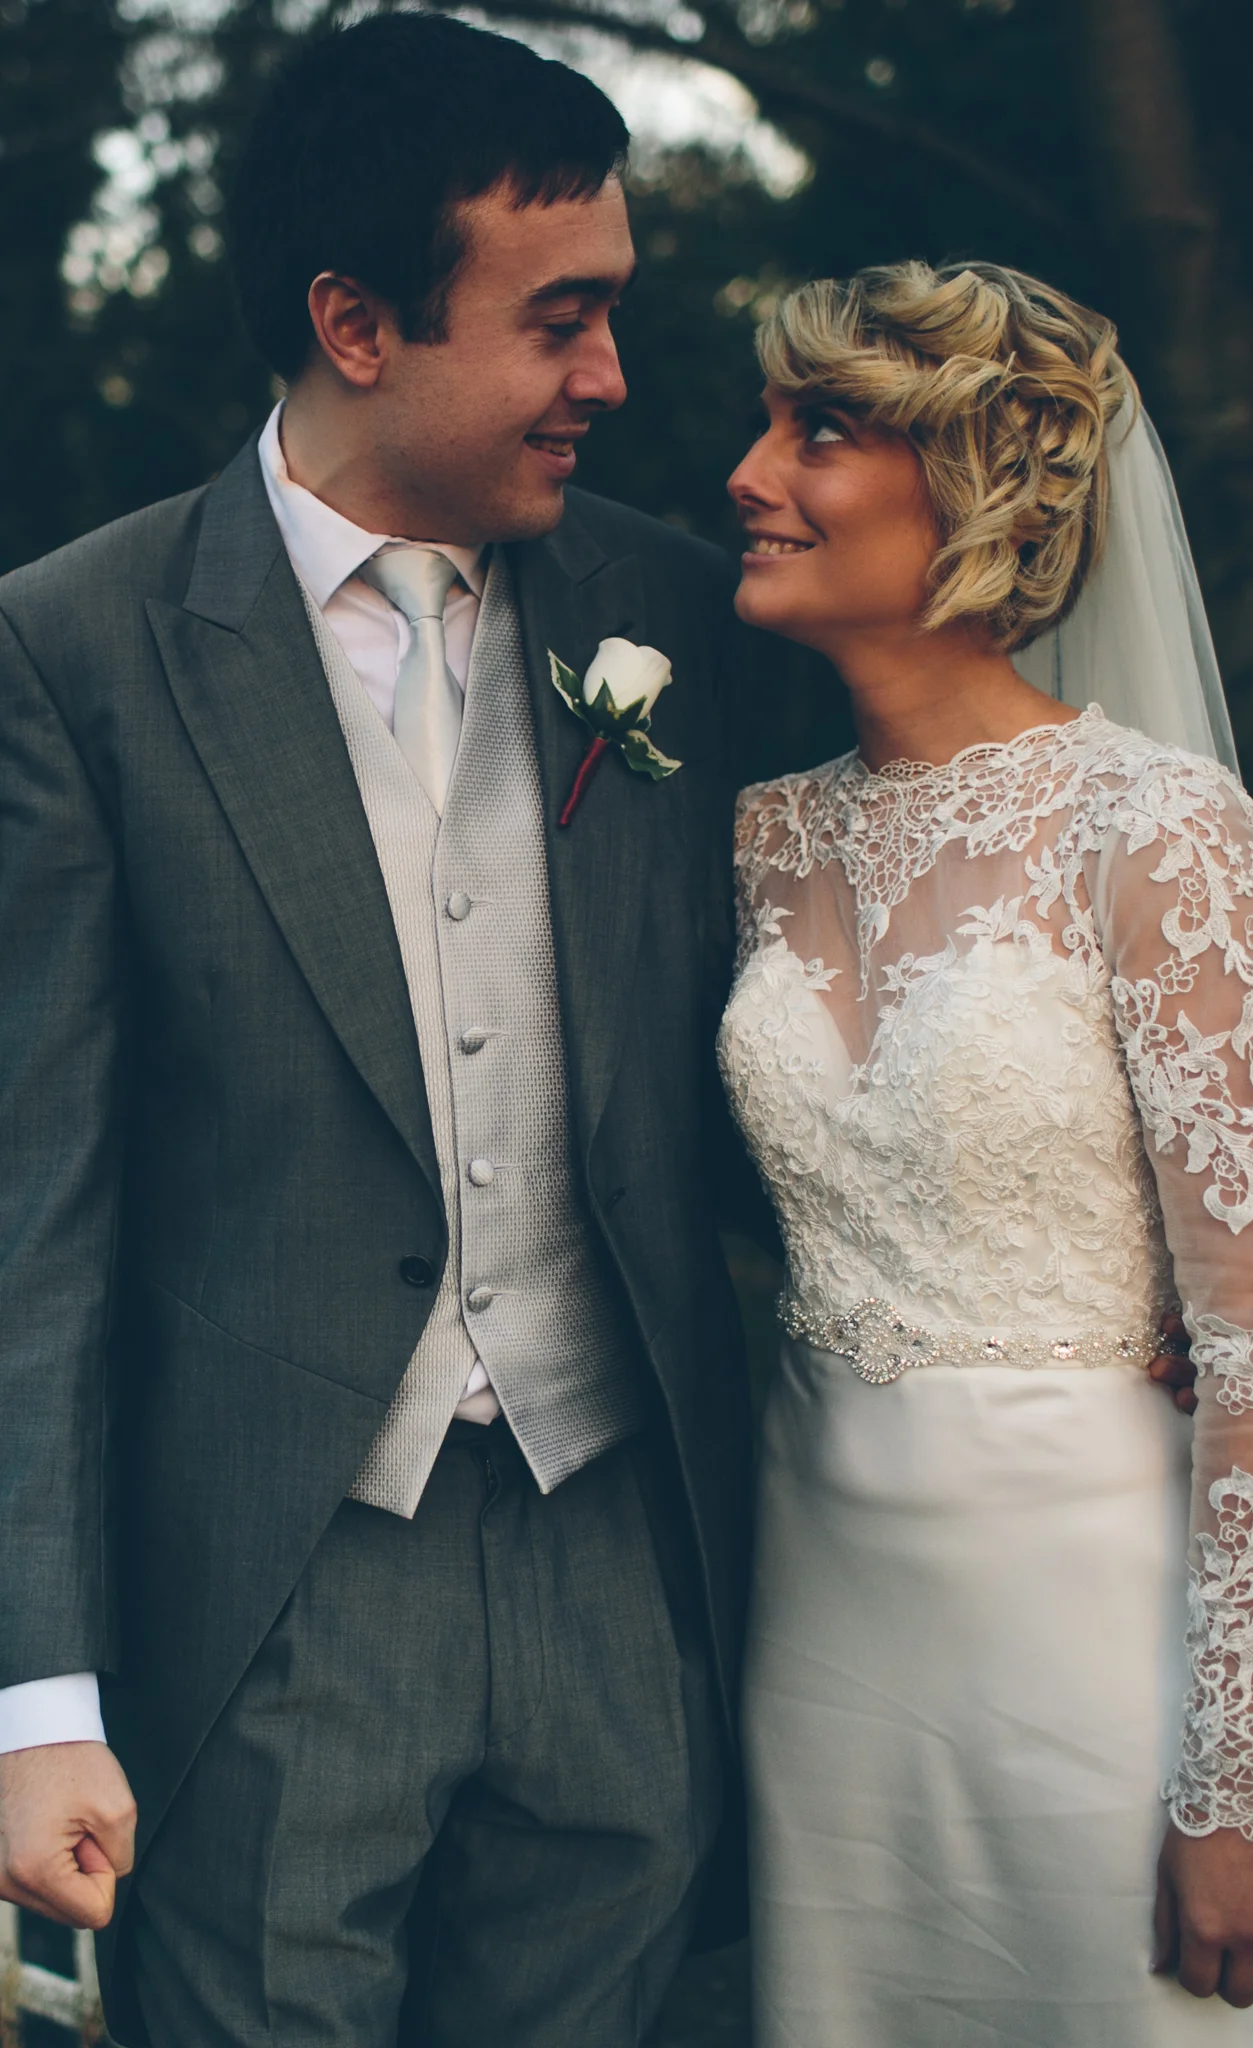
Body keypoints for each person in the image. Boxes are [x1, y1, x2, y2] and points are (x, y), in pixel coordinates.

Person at [0, 16, 758, 2043]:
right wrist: (37, 1697)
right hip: (276, 1588)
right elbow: (36, 1218)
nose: (608, 376)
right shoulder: (73, 644)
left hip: (622, 1552)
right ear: (353, 320)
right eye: (561, 319)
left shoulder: (680, 619)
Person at [719, 259, 1253, 2043]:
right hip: (826, 1625)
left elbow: (1249, 1341)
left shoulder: (1157, 832)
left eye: (822, 431)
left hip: (1097, 1630)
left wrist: (1234, 1777)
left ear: (977, 489)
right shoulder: (758, 840)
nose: (748, 470)